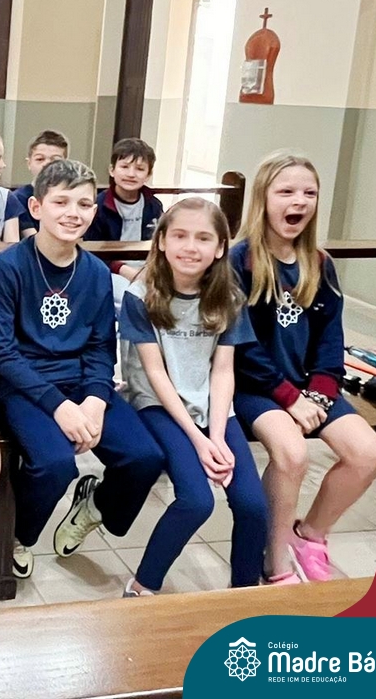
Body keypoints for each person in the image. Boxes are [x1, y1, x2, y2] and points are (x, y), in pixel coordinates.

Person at [0, 159, 164, 581]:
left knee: (145, 457)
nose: (73, 213)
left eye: (84, 204)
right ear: (36, 207)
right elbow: (1, 353)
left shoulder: (96, 273)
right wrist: (60, 407)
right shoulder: (9, 266)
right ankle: (20, 534)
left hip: (81, 383)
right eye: (61, 202)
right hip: (23, 386)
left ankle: (95, 505)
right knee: (55, 464)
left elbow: (101, 347)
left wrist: (96, 400)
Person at [231, 152, 376, 584]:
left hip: (308, 387)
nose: (299, 200)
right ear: (263, 198)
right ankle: (275, 559)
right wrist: (289, 398)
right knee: (292, 453)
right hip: (255, 387)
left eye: (309, 193)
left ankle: (310, 534)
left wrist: (318, 392)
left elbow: (330, 338)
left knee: (370, 454)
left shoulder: (319, 263)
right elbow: (242, 346)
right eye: (286, 191)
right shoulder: (239, 261)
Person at [118, 198, 267, 596]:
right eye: (180, 235)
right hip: (159, 404)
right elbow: (155, 373)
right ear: (162, 241)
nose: (190, 247)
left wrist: (217, 436)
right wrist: (200, 443)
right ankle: (141, 586)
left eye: (203, 238)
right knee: (197, 501)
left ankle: (244, 590)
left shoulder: (230, 297)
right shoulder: (140, 295)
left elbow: (223, 370)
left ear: (220, 248)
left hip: (213, 407)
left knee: (252, 504)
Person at [7, 130, 69, 240]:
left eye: (55, 160)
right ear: (29, 163)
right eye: (40, 159)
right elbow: (31, 237)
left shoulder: (71, 197)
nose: (46, 164)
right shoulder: (18, 198)